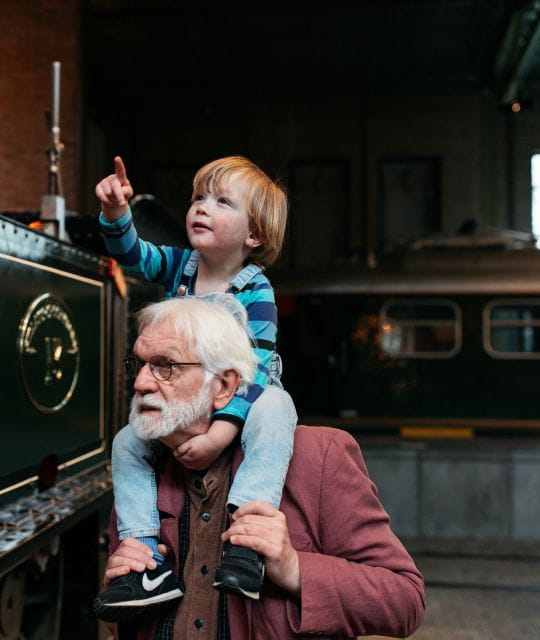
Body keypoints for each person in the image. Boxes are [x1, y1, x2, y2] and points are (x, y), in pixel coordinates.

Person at [98, 298, 425, 638]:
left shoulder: (320, 456)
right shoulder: (140, 472)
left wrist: (293, 567)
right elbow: (123, 626)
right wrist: (120, 587)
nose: (140, 383)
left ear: (223, 386)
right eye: (139, 364)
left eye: (166, 366)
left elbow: (404, 601)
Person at [95, 155, 299, 612]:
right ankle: (144, 558)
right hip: (189, 397)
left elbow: (257, 368)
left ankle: (247, 539)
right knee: (127, 442)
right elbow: (131, 254)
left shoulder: (256, 290)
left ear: (254, 235)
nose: (201, 207)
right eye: (198, 197)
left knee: (276, 409)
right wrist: (115, 214)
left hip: (243, 395)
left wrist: (221, 432)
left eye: (222, 201)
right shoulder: (180, 266)